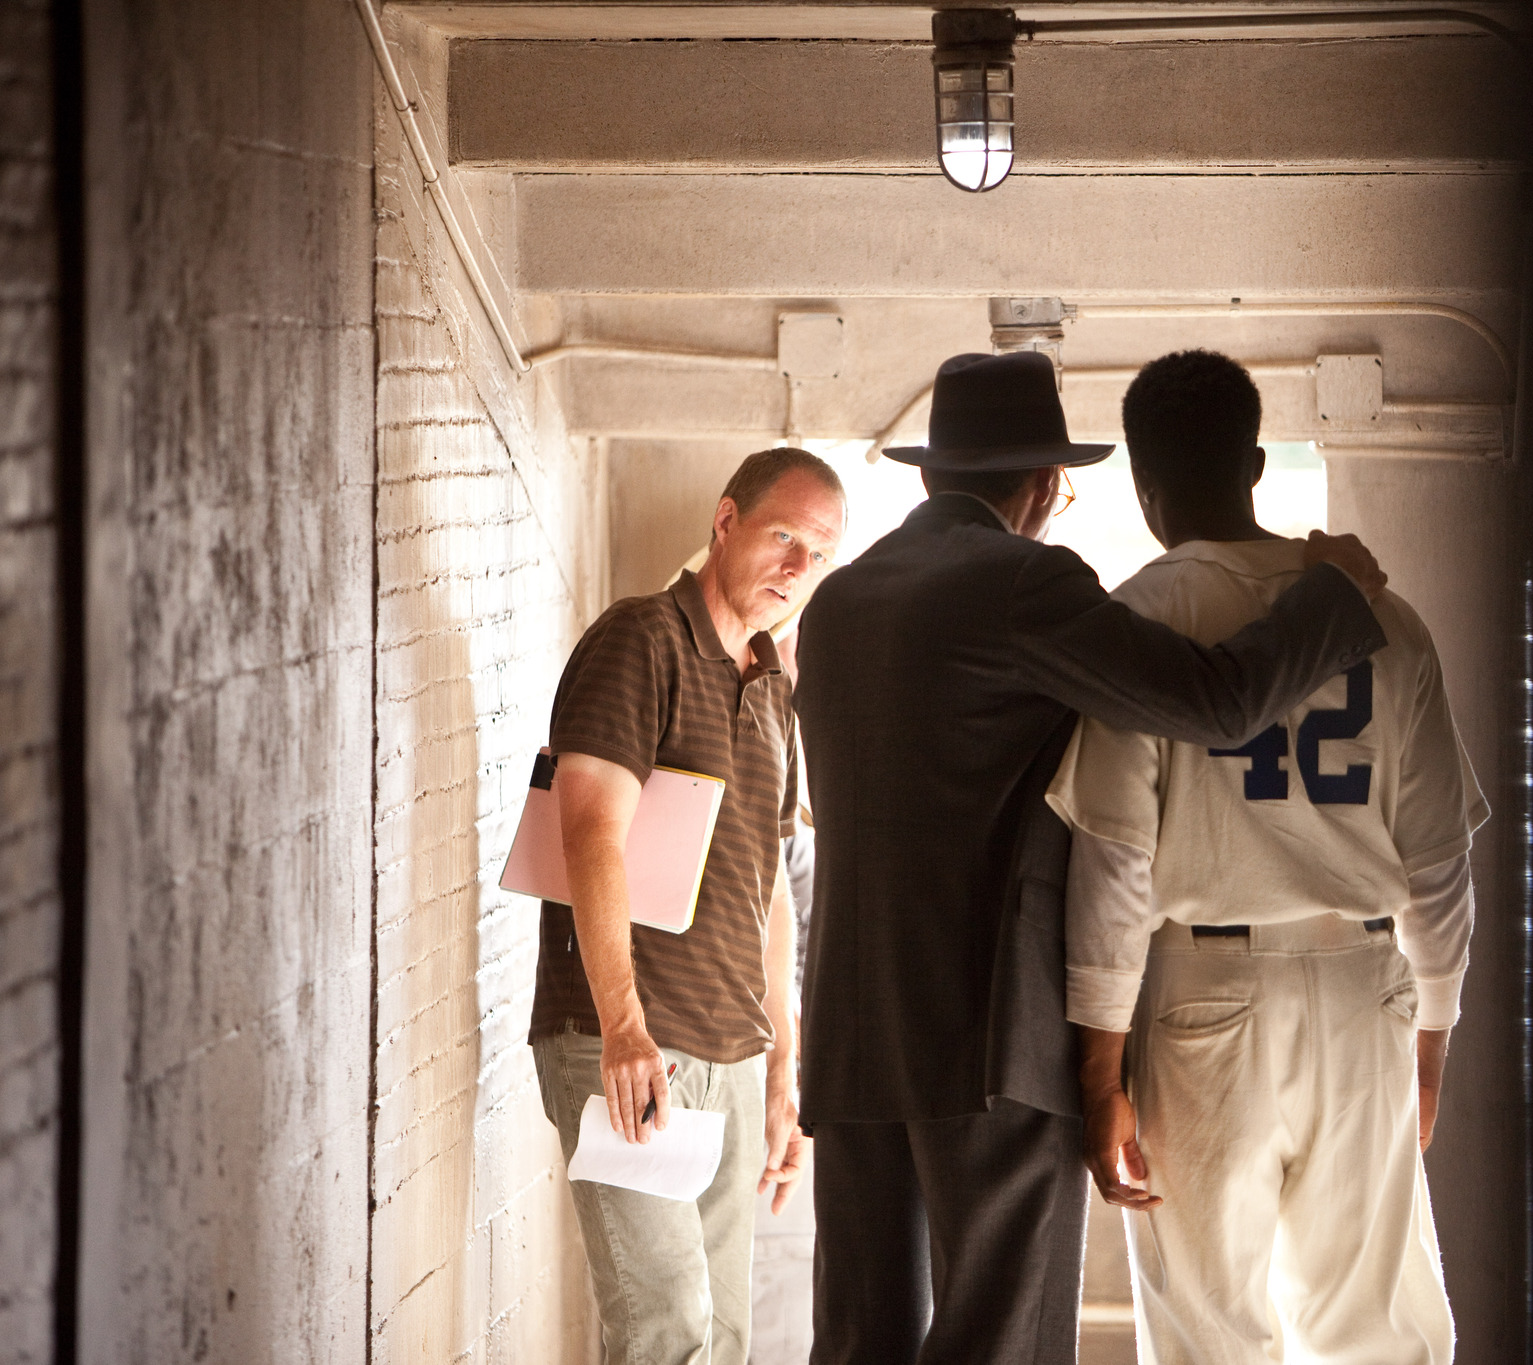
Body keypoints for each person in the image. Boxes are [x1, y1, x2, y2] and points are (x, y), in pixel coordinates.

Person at [794, 350, 1392, 1365]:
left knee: (860, 1343)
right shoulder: (1024, 583)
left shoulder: (836, 604)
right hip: (988, 1034)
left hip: (850, 1035)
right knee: (1000, 1340)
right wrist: (1332, 594)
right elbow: (1213, 702)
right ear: (1038, 487)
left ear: (933, 477)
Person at [1046, 350, 1489, 1365]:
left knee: (1208, 1325)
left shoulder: (1141, 616)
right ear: (1252, 462)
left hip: (1205, 992)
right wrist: (1429, 1038)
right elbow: (1434, 869)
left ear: (1144, 488)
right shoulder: (1381, 614)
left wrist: (1097, 1070)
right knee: (1372, 1323)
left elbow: (1113, 868)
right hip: (1364, 986)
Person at [526, 447, 845, 1365]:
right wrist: (623, 1025)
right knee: (665, 1330)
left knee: (723, 1338)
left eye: (817, 553)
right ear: (724, 520)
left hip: (732, 1057)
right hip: (628, 1044)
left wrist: (785, 1071)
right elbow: (590, 829)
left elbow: (773, 889)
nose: (797, 568)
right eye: (784, 535)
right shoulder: (643, 639)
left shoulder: (775, 689)